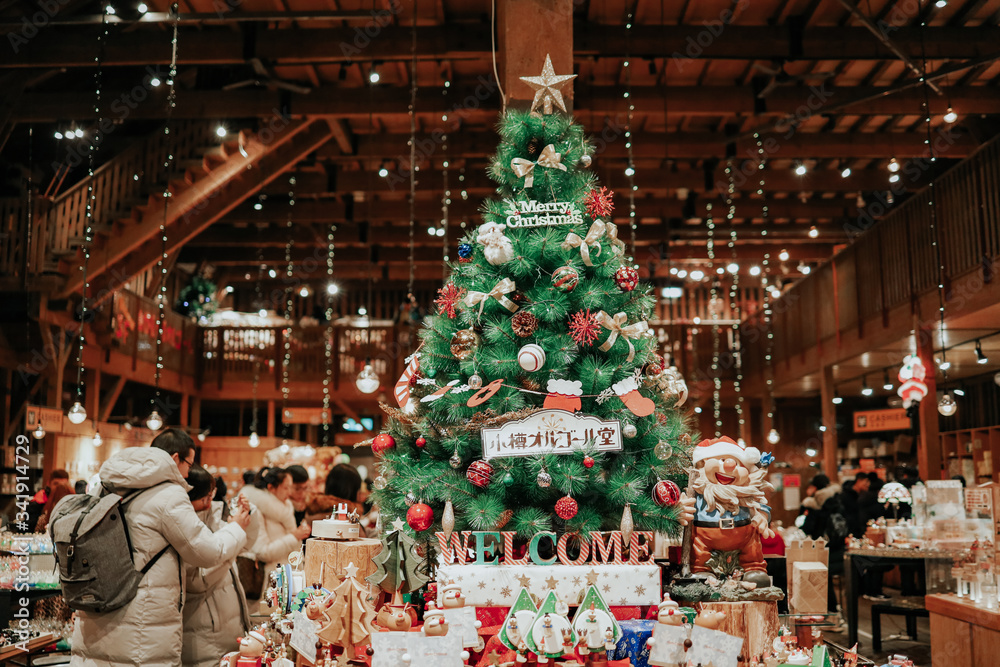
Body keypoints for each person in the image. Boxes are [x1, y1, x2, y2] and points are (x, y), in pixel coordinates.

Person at [71, 428, 251, 667]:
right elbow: (207, 552)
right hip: (143, 627)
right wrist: (237, 528)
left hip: (98, 614)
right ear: (175, 459)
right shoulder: (168, 494)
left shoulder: (105, 486)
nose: (188, 474)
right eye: (189, 464)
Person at [182, 465, 260, 667]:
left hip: (226, 631)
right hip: (205, 638)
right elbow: (198, 579)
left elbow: (246, 543)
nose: (209, 504)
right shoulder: (184, 527)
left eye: (212, 496)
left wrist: (247, 515)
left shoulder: (212, 518)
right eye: (205, 498)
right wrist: (235, 530)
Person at [240, 467, 310, 597]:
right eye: (285, 488)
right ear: (271, 487)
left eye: (290, 487)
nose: (289, 493)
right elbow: (263, 552)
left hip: (292, 578)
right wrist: (294, 537)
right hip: (272, 581)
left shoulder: (287, 508)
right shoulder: (259, 512)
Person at [799, 473, 847, 613]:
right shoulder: (838, 500)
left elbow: (807, 527)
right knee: (829, 578)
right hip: (838, 547)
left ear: (814, 487)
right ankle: (834, 612)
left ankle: (829, 610)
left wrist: (805, 506)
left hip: (822, 546)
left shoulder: (814, 504)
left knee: (823, 579)